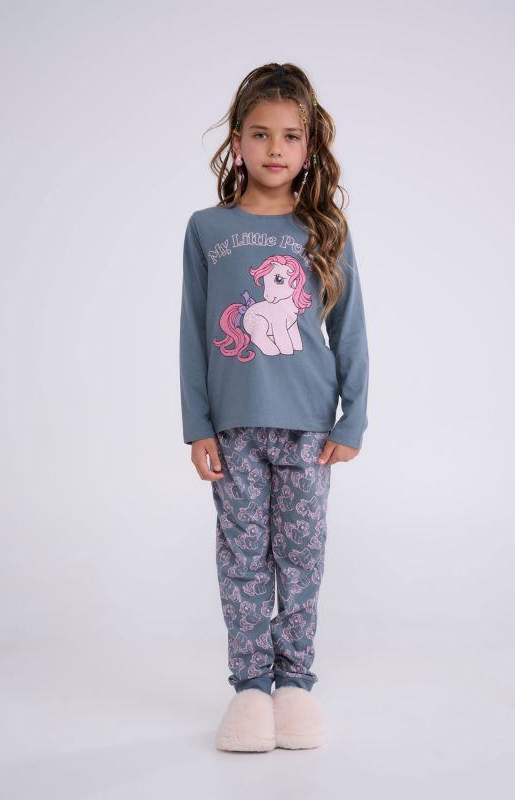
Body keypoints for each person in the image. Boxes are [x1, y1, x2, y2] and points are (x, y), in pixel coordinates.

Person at [179, 63, 369, 752]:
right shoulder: (207, 229)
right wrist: (196, 425)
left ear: (310, 145)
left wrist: (353, 417)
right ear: (237, 142)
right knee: (242, 558)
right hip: (233, 429)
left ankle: (294, 681)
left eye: (291, 136)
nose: (275, 149)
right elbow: (193, 329)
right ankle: (251, 687)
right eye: (260, 134)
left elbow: (350, 328)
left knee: (301, 556)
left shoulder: (326, 229)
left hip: (309, 429)